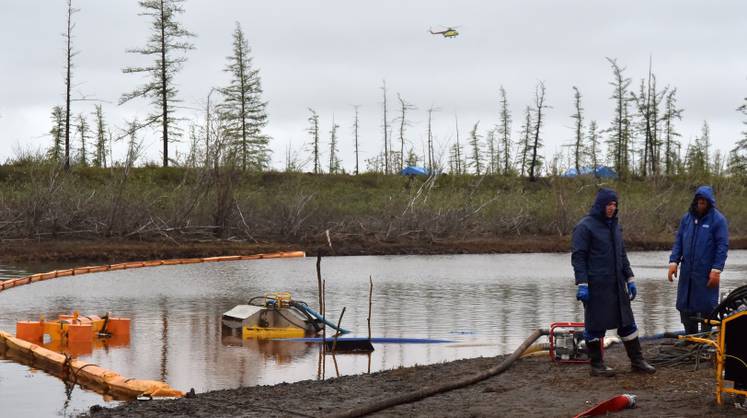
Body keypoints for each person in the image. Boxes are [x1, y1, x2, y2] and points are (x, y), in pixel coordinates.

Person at [571, 188, 656, 376]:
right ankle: (597, 365)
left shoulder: (616, 226)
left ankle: (637, 361)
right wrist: (582, 283)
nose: (612, 208)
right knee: (595, 325)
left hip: (617, 285)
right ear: (600, 205)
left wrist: (630, 278)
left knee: (627, 323)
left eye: (614, 205)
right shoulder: (585, 227)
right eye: (609, 204)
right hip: (596, 285)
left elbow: (622, 254)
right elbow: (578, 257)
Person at [668, 185, 729, 335]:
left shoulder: (718, 220)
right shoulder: (686, 219)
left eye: (704, 202)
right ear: (695, 202)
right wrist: (674, 262)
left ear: (709, 203)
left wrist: (716, 270)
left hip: (707, 272)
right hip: (687, 272)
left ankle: (706, 338)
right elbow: (679, 242)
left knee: (707, 307)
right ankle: (690, 337)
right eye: (698, 202)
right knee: (685, 305)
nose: (700, 205)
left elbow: (722, 247)